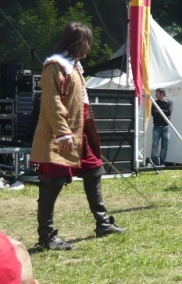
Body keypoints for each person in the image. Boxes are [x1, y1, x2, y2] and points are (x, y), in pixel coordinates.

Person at [30, 22, 126, 251]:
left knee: (94, 171)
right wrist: (63, 133)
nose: (89, 48)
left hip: (80, 132)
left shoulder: (74, 66)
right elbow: (52, 102)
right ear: (78, 42)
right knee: (52, 182)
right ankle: (46, 236)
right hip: (60, 135)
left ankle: (103, 223)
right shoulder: (55, 66)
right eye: (87, 43)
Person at [151, 88, 173, 166]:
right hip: (156, 126)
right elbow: (153, 113)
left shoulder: (169, 102)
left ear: (162, 94)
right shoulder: (154, 103)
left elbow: (169, 112)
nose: (156, 95)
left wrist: (159, 111)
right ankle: (155, 162)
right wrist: (163, 111)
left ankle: (162, 162)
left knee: (165, 145)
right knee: (155, 144)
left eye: (157, 93)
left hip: (166, 127)